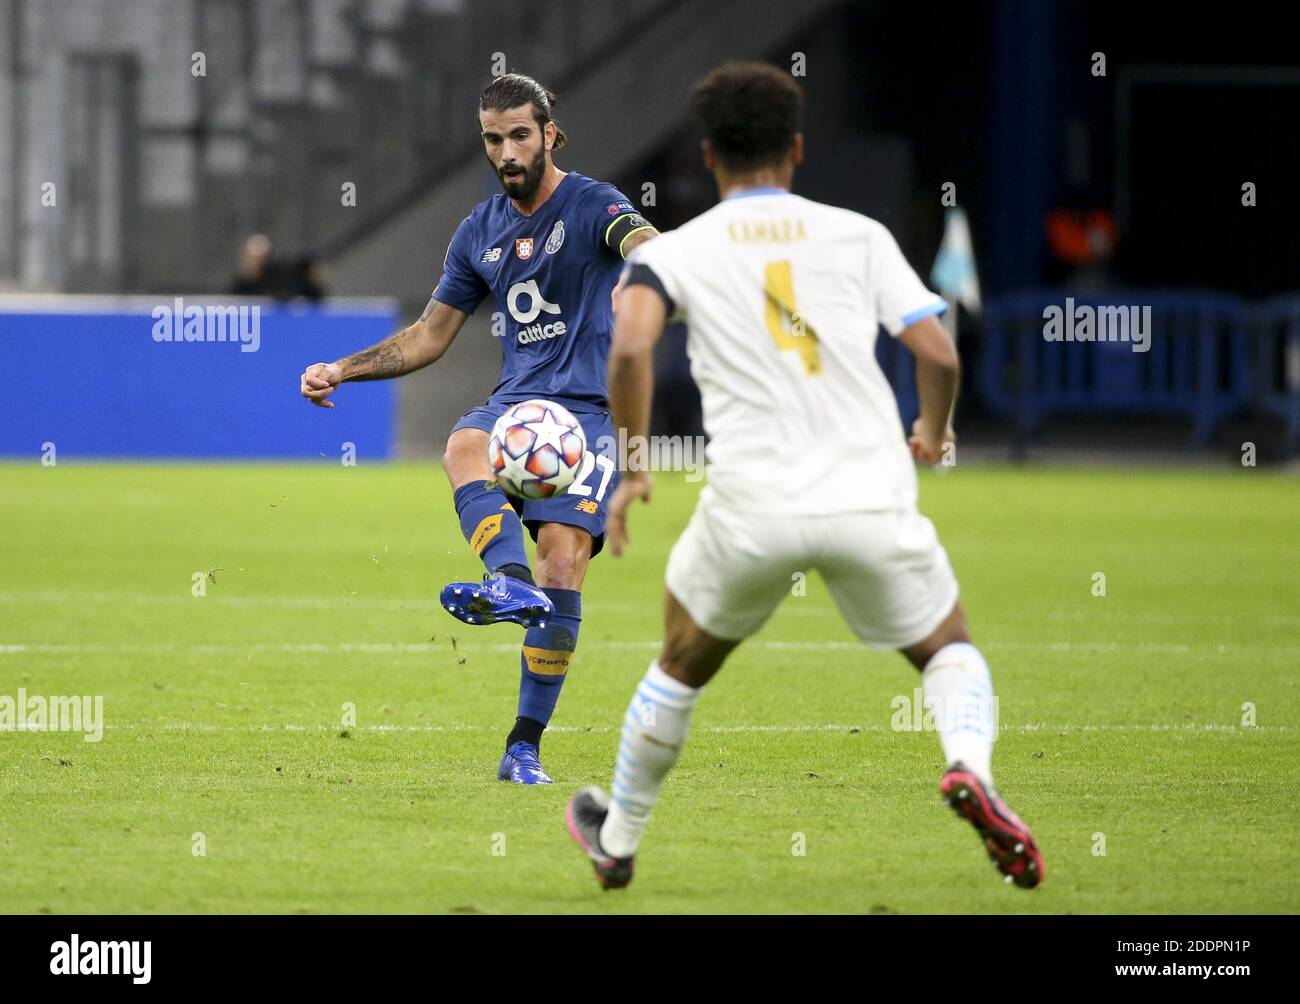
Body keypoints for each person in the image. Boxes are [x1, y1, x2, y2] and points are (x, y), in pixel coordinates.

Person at [564, 61, 1043, 889]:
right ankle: (973, 771)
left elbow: (633, 343)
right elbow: (935, 348)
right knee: (946, 647)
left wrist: (634, 468)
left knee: (681, 661)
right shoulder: (859, 235)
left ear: (708, 155)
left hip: (754, 505)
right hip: (869, 491)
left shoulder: (677, 250)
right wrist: (934, 428)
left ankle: (621, 837)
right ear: (797, 147)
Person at [300, 73, 658, 784]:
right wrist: (343, 367)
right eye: (493, 139)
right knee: (463, 444)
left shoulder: (592, 205)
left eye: (520, 134)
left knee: (565, 565)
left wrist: (649, 266)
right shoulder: (479, 230)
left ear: (550, 135)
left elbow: (642, 239)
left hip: (588, 415)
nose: (506, 150)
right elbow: (430, 336)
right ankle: (506, 581)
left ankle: (523, 745)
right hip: (519, 408)